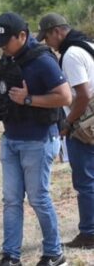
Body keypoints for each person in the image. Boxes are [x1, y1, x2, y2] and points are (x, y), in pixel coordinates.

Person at [0, 12, 71, 266]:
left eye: (5, 42)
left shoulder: (42, 61)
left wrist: (28, 99)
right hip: (10, 137)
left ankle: (54, 253)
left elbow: (65, 97)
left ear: (22, 36)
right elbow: (5, 91)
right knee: (11, 200)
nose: (2, 47)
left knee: (38, 198)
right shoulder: (8, 57)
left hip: (38, 139)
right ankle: (11, 255)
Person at [37, 13, 94, 249]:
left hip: (85, 122)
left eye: (47, 37)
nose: (48, 43)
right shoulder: (88, 44)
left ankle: (89, 232)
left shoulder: (70, 54)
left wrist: (68, 123)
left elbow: (82, 95)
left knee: (86, 180)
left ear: (57, 31)